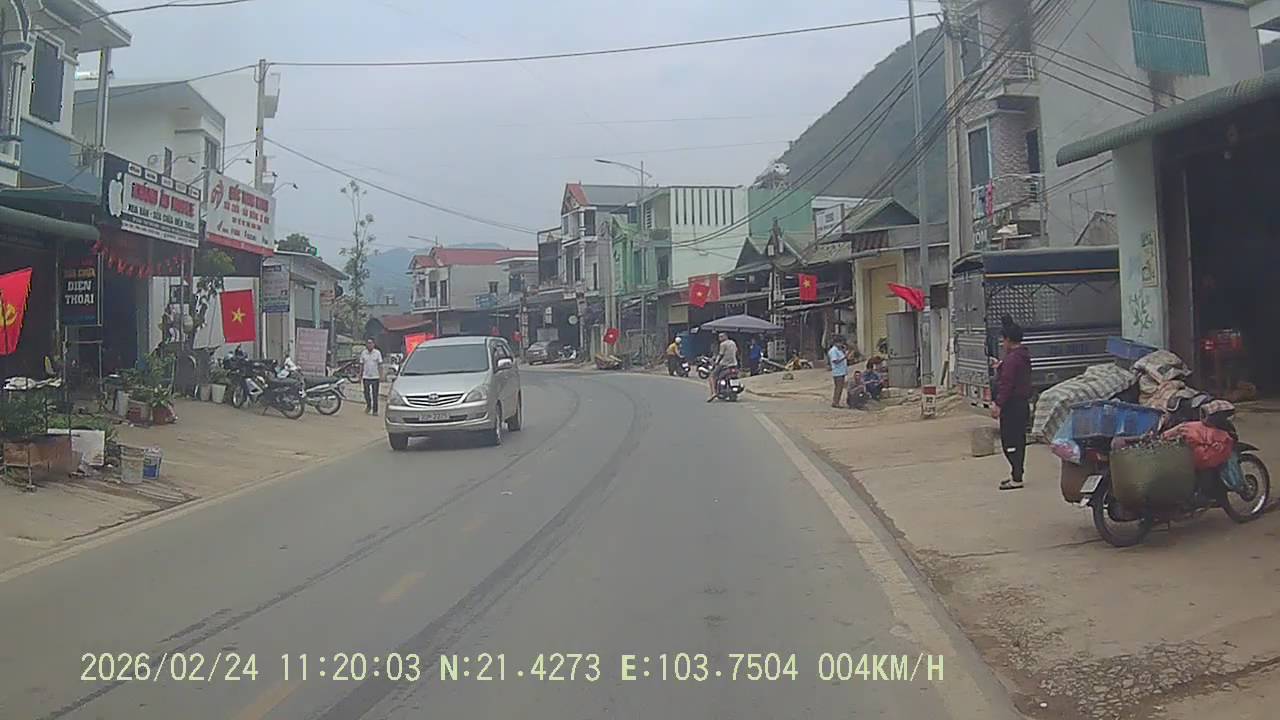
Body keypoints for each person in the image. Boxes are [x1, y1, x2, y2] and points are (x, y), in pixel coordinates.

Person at [993, 321, 1032, 490]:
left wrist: (998, 404)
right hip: (1021, 404)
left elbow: (1007, 384)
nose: (1002, 344)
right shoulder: (1022, 356)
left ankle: (1017, 477)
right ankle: (1016, 474)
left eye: (1003, 340)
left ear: (1008, 340)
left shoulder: (1012, 359)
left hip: (1012, 406)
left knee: (1010, 442)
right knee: (1018, 440)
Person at [707, 332, 739, 402]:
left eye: (721, 337)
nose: (720, 338)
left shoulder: (723, 344)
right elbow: (736, 352)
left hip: (724, 364)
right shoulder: (733, 342)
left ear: (726, 337)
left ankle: (713, 393)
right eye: (719, 337)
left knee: (712, 376)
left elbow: (720, 355)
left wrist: (716, 362)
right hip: (734, 364)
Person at [360, 338, 384, 415]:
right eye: (368, 343)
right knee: (366, 393)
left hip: (375, 377)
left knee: (375, 394)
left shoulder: (377, 353)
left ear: (374, 344)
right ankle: (368, 406)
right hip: (366, 376)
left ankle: (375, 410)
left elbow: (380, 365)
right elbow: (361, 365)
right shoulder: (363, 353)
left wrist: (381, 375)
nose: (369, 345)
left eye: (371, 343)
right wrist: (360, 375)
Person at [827, 335, 849, 408]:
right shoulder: (833, 350)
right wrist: (844, 357)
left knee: (840, 387)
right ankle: (835, 402)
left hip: (841, 371)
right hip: (838, 371)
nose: (841, 344)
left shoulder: (839, 350)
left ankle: (836, 401)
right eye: (840, 343)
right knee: (838, 387)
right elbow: (835, 361)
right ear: (836, 343)